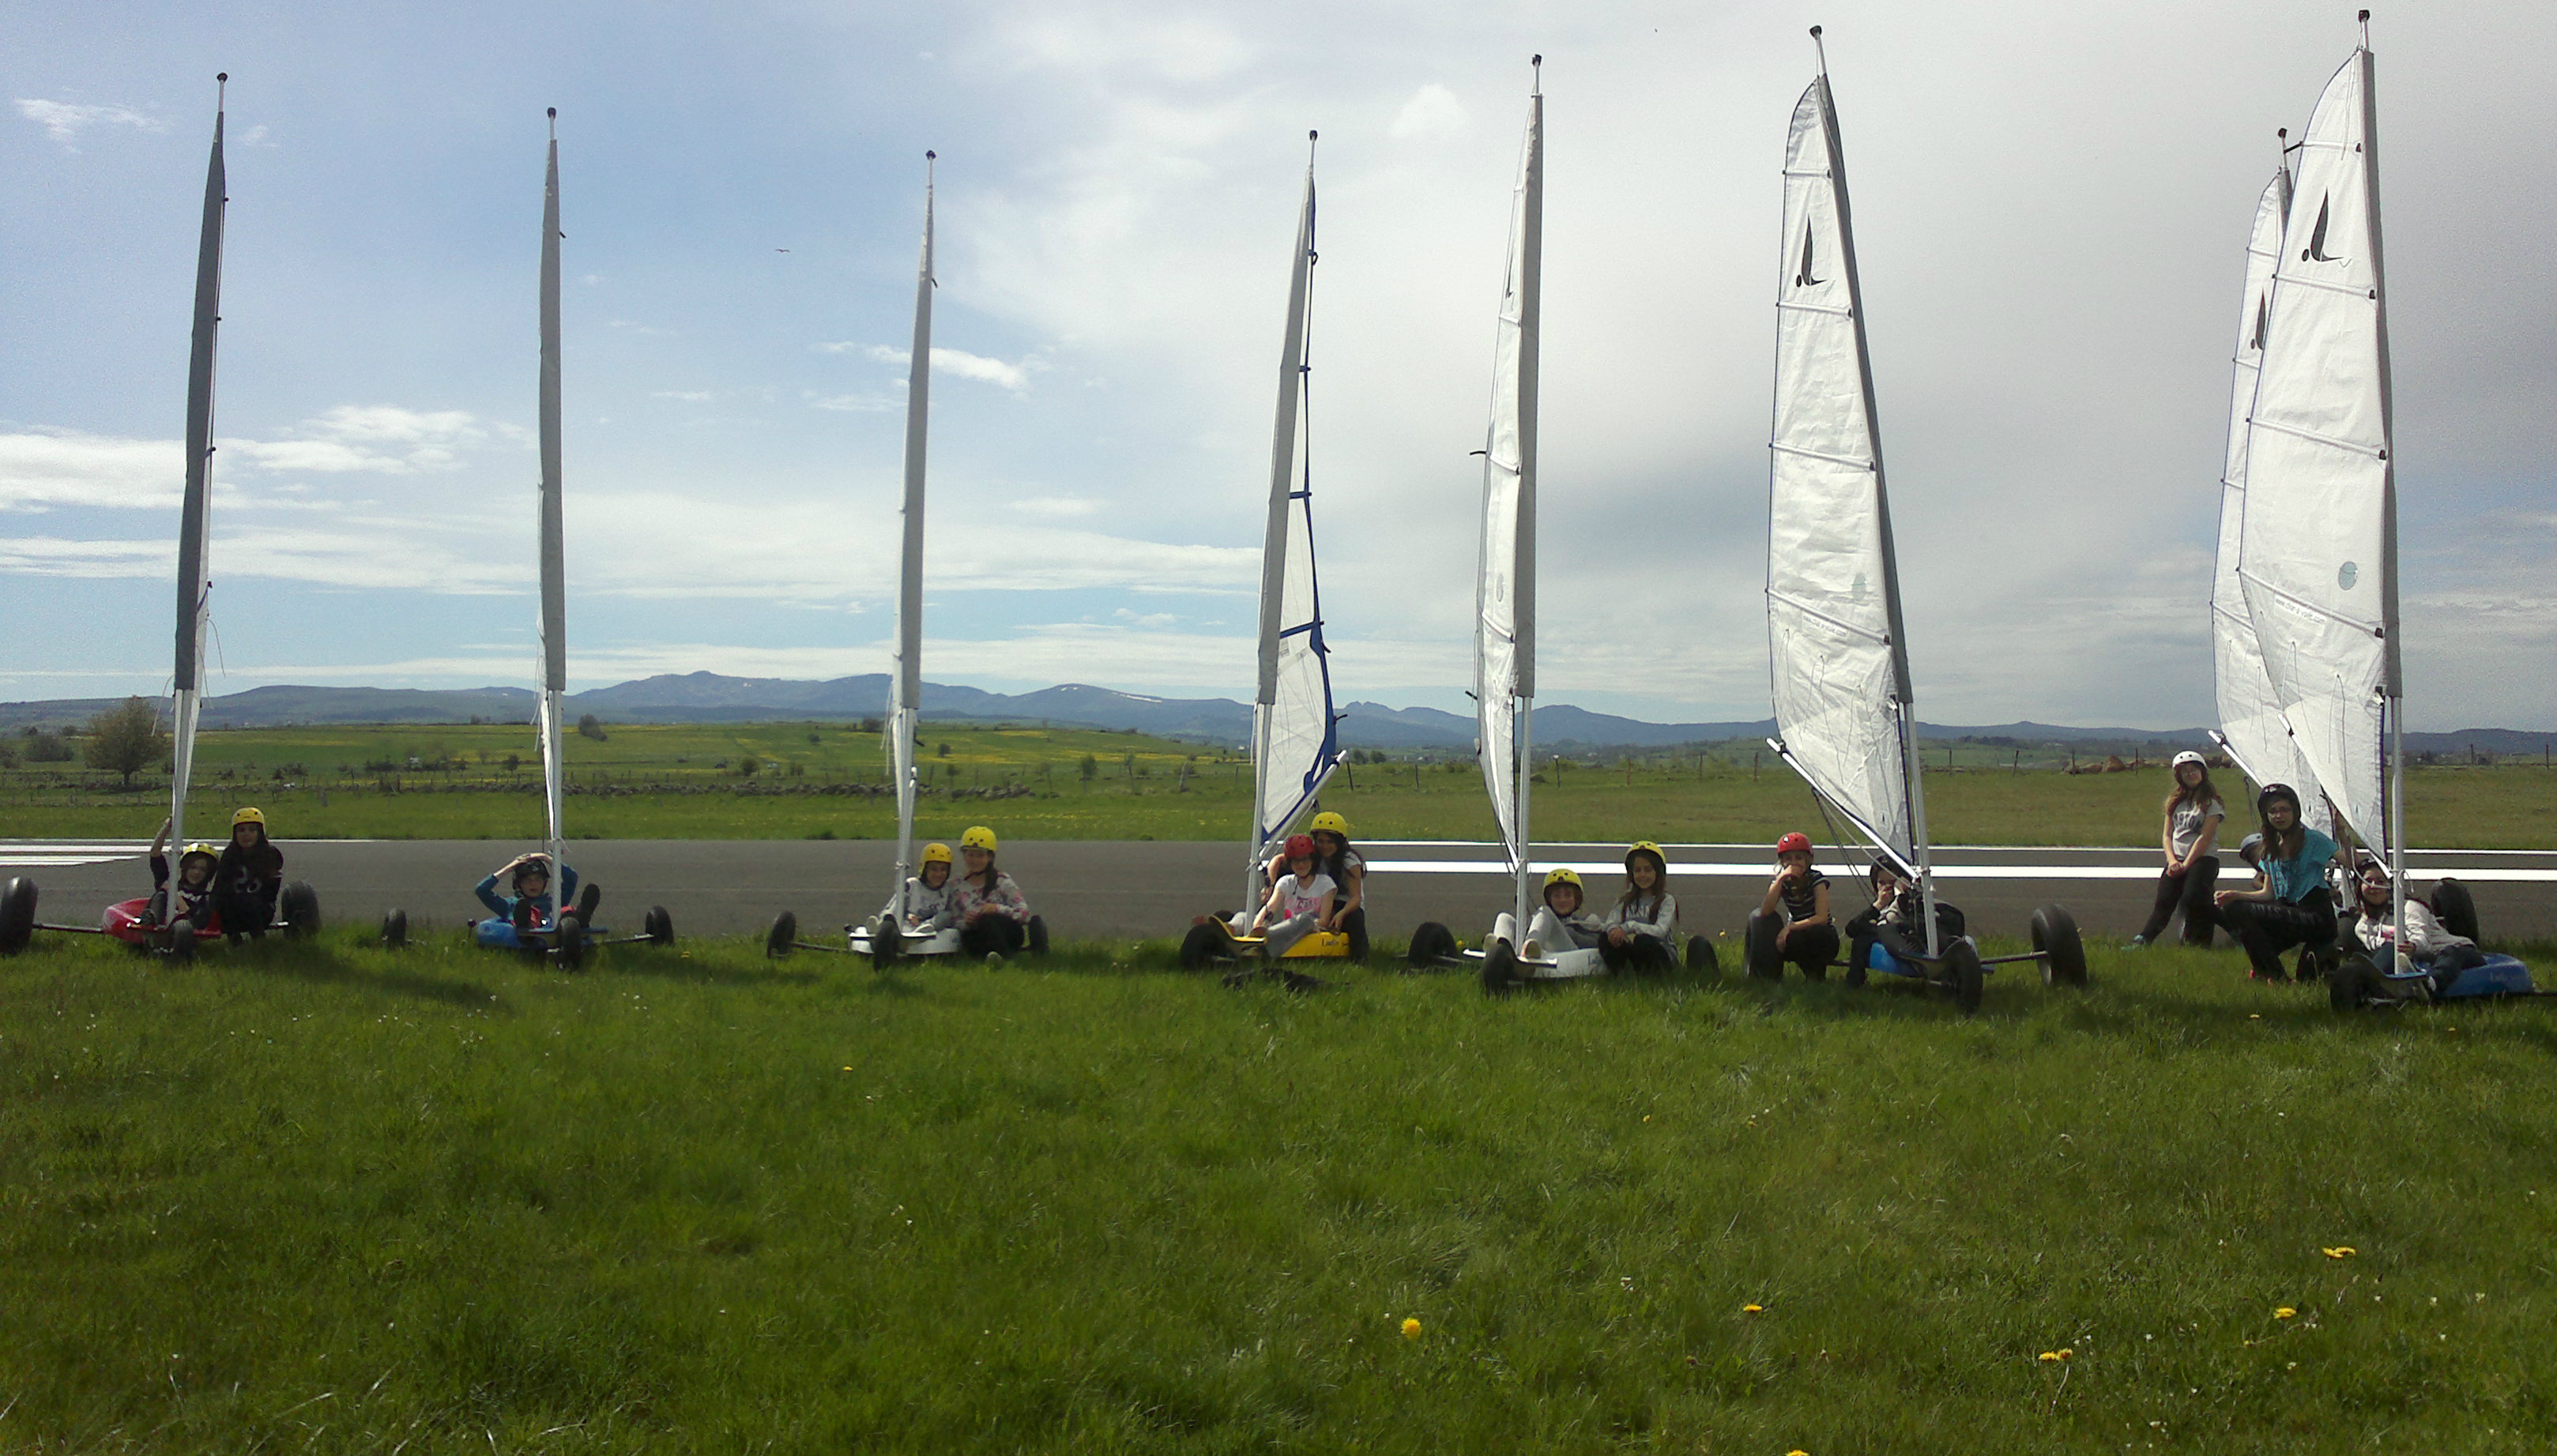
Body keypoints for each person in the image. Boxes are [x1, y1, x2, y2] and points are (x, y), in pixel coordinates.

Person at [2212, 784, 2344, 981]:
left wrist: (2342, 832)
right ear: (2266, 816)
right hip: (2292, 913)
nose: (2279, 816)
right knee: (2237, 912)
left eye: (2285, 810)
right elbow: (2268, 894)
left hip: (2316, 917)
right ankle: (2274, 976)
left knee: (2240, 912)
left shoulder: (2313, 839)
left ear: (2295, 812)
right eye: (2273, 811)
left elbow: (2351, 862)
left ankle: (2275, 977)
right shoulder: (2270, 849)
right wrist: (2235, 895)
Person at [2128, 751, 2224, 948]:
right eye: (2185, 772)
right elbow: (2167, 835)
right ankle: (2144, 939)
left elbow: (2204, 837)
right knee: (2164, 901)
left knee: (2193, 898)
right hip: (2177, 859)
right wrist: (2172, 861)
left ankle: (2235, 928)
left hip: (2203, 859)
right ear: (2178, 776)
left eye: (2194, 770)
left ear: (2202, 773)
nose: (2190, 775)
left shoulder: (2211, 804)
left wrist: (2187, 864)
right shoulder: (2174, 803)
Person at [2348, 863, 2485, 988]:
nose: (2374, 886)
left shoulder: (2409, 907)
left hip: (2455, 951)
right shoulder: (2362, 927)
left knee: (2450, 953)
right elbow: (2381, 950)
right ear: (2360, 887)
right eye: (2368, 881)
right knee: (2387, 950)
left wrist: (2414, 946)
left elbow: (2421, 938)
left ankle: (2431, 984)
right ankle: (2370, 986)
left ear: (2390, 886)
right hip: (2416, 960)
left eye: (2380, 881)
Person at [1259, 811, 1368, 962]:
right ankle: (1264, 921)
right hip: (1319, 897)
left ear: (1340, 841)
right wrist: (1269, 885)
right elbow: (1277, 861)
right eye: (1321, 841)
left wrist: (1341, 914)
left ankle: (1359, 959)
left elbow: (1356, 898)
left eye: (1330, 842)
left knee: (1354, 919)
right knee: (1291, 867)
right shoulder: (1314, 853)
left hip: (1344, 904)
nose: (1325, 846)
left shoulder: (1350, 861)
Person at [1749, 831, 1838, 978]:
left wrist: (1791, 927)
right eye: (1788, 859)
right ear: (1782, 862)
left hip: (1822, 933)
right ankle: (1810, 975)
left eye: (1799, 858)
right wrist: (1779, 880)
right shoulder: (1784, 882)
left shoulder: (1817, 880)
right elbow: (1766, 911)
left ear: (1808, 860)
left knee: (1813, 934)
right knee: (1791, 940)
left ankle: (1816, 975)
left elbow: (1821, 918)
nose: (1794, 863)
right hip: (1798, 934)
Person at [947, 825, 1033, 958]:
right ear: (964, 855)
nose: (975, 860)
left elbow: (1023, 913)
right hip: (977, 933)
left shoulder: (1002, 881)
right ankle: (990, 957)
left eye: (980, 856)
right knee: (969, 937)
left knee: (987, 920)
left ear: (990, 857)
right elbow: (952, 919)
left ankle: (1004, 955)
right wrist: (966, 922)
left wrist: (997, 909)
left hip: (1006, 931)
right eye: (970, 855)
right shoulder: (956, 885)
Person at [1248, 833, 1336, 959]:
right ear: (1290, 862)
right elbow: (1270, 907)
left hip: (1313, 930)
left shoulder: (1326, 883)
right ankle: (1231, 930)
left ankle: (1265, 942)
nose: (1300, 865)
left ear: (1312, 860)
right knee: (1245, 917)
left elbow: (1324, 921)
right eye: (1296, 860)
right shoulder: (1286, 882)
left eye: (1304, 859)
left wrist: (1302, 924)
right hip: (1286, 929)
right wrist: (1257, 925)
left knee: (1304, 919)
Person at [1600, 841, 1679, 974]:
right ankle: (1618, 974)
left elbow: (1660, 931)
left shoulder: (1666, 900)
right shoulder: (1624, 900)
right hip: (1634, 951)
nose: (1642, 875)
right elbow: (1610, 922)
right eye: (1637, 870)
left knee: (1643, 940)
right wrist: (1614, 931)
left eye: (1648, 870)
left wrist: (1630, 927)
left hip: (1661, 953)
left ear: (1658, 872)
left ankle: (1655, 977)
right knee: (1605, 937)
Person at [474, 852, 595, 937]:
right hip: (526, 933)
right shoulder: (509, 905)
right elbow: (481, 890)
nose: (533, 884)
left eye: (538, 880)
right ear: (519, 884)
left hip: (558, 930)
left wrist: (547, 858)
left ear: (544, 883)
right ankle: (526, 923)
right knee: (524, 908)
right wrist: (511, 866)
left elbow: (571, 878)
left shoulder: (554, 902)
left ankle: (582, 915)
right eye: (528, 880)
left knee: (565, 911)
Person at [214, 806, 286, 943]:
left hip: (260, 909)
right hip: (234, 909)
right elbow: (220, 886)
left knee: (248, 902)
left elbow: (271, 891)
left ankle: (258, 939)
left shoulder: (270, 855)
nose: (246, 834)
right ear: (234, 834)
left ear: (260, 833)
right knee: (220, 902)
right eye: (241, 830)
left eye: (252, 830)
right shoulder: (230, 855)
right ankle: (234, 938)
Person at [143, 815, 220, 932]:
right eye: (193, 867)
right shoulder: (170, 882)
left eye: (203, 870)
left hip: (186, 932)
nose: (197, 872)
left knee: (166, 893)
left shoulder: (205, 899)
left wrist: (175, 895)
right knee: (161, 895)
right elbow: (155, 853)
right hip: (160, 926)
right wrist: (167, 827)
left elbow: (197, 923)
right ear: (185, 868)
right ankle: (151, 924)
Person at [1521, 867, 1606, 960]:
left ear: (1576, 899)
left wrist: (1573, 934)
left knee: (1545, 911)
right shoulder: (1544, 921)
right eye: (1557, 896)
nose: (1562, 900)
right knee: (1505, 918)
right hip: (1546, 954)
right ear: (1550, 900)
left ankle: (1528, 951)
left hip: (1570, 959)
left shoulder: (1588, 921)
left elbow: (1602, 942)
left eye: (1568, 895)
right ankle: (1505, 954)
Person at [885, 842, 955, 934]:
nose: (938, 874)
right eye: (934, 869)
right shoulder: (912, 884)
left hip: (929, 926)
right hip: (907, 924)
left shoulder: (948, 889)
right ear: (924, 869)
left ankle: (924, 929)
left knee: (947, 915)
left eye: (943, 870)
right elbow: (897, 905)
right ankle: (883, 925)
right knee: (894, 908)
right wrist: (908, 916)